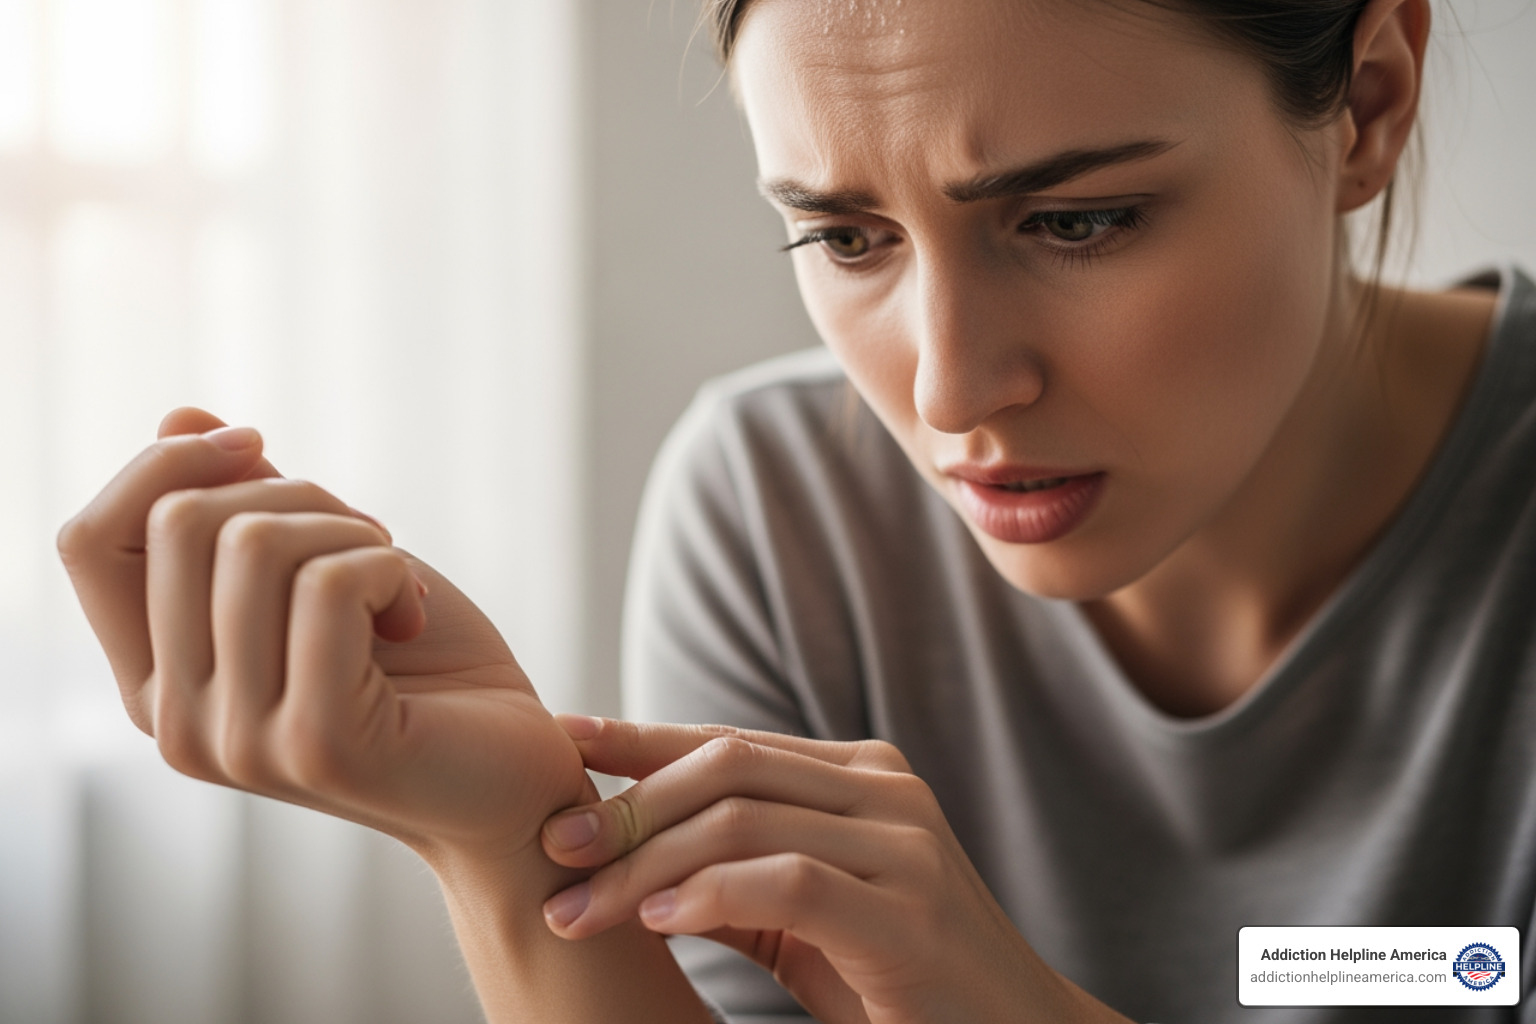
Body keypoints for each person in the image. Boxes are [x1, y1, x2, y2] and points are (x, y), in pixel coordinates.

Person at [55, 0, 1536, 1020]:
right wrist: (507, 842)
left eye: (1076, 220)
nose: (953, 387)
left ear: (1371, 101)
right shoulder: (778, 515)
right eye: (844, 235)